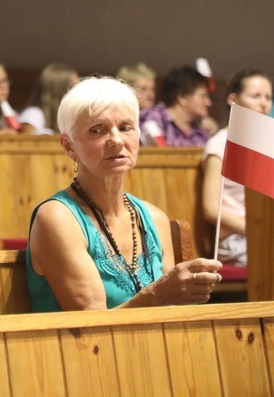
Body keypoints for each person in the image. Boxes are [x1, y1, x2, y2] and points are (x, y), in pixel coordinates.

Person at [26, 76, 222, 312]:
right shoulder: (57, 218)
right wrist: (158, 295)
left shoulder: (154, 219)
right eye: (97, 131)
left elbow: (171, 314)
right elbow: (92, 326)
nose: (116, 141)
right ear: (69, 146)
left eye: (125, 127)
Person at [202, 69, 272, 267]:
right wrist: (256, 230)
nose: (263, 103)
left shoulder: (268, 142)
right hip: (238, 238)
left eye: (268, 97)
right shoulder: (220, 143)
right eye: (255, 96)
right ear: (233, 99)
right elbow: (211, 209)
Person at [139, 66, 213, 146]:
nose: (208, 103)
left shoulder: (201, 130)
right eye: (203, 96)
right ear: (182, 98)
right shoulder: (153, 119)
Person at [20, 63, 78, 134]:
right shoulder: (33, 114)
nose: (78, 92)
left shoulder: (72, 115)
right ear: (60, 91)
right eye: (73, 87)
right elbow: (24, 143)